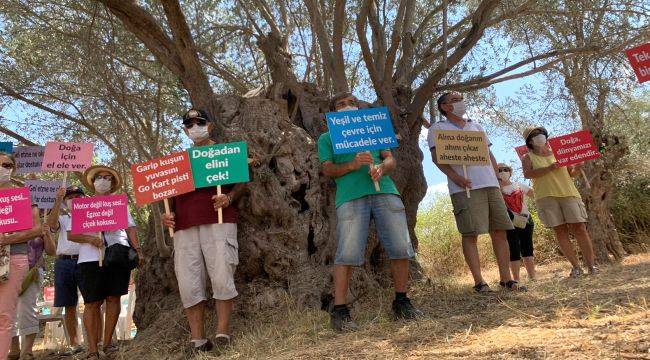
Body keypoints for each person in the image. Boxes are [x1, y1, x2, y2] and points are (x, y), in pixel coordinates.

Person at [318, 93, 422, 333]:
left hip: (385, 191)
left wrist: (382, 168)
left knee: (400, 247)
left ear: (359, 107)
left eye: (352, 103)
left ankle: (402, 302)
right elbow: (327, 169)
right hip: (350, 197)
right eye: (341, 105)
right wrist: (352, 165)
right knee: (348, 252)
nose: (347, 107)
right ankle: (340, 311)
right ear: (332, 113)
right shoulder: (327, 138)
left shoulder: (374, 130)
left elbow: (390, 160)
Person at [162, 109, 247, 354]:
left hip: (219, 222)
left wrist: (229, 197)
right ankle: (197, 340)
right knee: (189, 282)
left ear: (210, 126)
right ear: (185, 130)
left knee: (222, 275)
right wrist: (165, 215)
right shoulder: (177, 162)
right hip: (183, 228)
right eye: (189, 123)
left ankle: (223, 333)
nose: (195, 126)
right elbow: (164, 193)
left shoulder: (225, 153)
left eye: (200, 122)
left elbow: (243, 180)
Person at [428, 92, 525, 293]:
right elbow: (437, 158)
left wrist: (498, 179)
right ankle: (479, 282)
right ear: (444, 107)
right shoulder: (438, 128)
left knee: (500, 230)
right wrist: (456, 178)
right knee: (471, 233)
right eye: (455, 100)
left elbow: (489, 154)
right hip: (465, 188)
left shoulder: (476, 126)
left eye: (461, 99)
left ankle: (507, 279)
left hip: (491, 185)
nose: (460, 103)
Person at [68, 165, 143, 359]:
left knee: (114, 298)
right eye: (100, 177)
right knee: (92, 303)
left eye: (108, 178)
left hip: (117, 256)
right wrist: (90, 239)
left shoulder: (120, 204)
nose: (103, 180)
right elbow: (72, 234)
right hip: (89, 259)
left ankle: (108, 343)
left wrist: (138, 250)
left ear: (112, 184)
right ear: (93, 182)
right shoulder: (82, 205)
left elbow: (130, 228)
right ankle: (92, 349)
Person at [521, 126, 597, 277]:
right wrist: (549, 168)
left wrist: (578, 167)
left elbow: (572, 174)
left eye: (541, 132)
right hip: (546, 197)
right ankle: (576, 268)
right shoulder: (527, 157)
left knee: (580, 228)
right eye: (535, 134)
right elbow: (528, 174)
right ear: (529, 140)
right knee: (560, 231)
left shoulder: (559, 152)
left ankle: (591, 266)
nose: (540, 135)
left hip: (569, 193)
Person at [0, 152, 42, 359]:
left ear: (13, 169)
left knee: (4, 316)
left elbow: (37, 229)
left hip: (14, 259)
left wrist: (8, 239)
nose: (3, 168)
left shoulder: (22, 195)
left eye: (7, 165)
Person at [8, 213, 56, 360]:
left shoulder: (40, 225)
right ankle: (14, 350)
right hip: (7, 272)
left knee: (27, 309)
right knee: (8, 312)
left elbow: (51, 251)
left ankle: (27, 351)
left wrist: (46, 234)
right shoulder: (7, 221)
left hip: (32, 271)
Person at [46, 186, 87, 356]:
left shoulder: (92, 215)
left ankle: (97, 340)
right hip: (64, 263)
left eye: (78, 196)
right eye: (70, 197)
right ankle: (75, 343)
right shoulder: (62, 219)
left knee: (94, 303)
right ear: (65, 202)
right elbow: (50, 224)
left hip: (87, 261)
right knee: (69, 306)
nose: (75, 199)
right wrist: (57, 199)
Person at [497, 163, 537, 282]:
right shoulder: (496, 190)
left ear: (510, 171)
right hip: (509, 224)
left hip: (526, 220)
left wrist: (536, 178)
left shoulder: (519, 185)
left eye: (505, 169)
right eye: (499, 170)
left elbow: (535, 194)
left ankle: (533, 277)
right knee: (513, 251)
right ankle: (516, 280)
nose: (503, 172)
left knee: (528, 249)